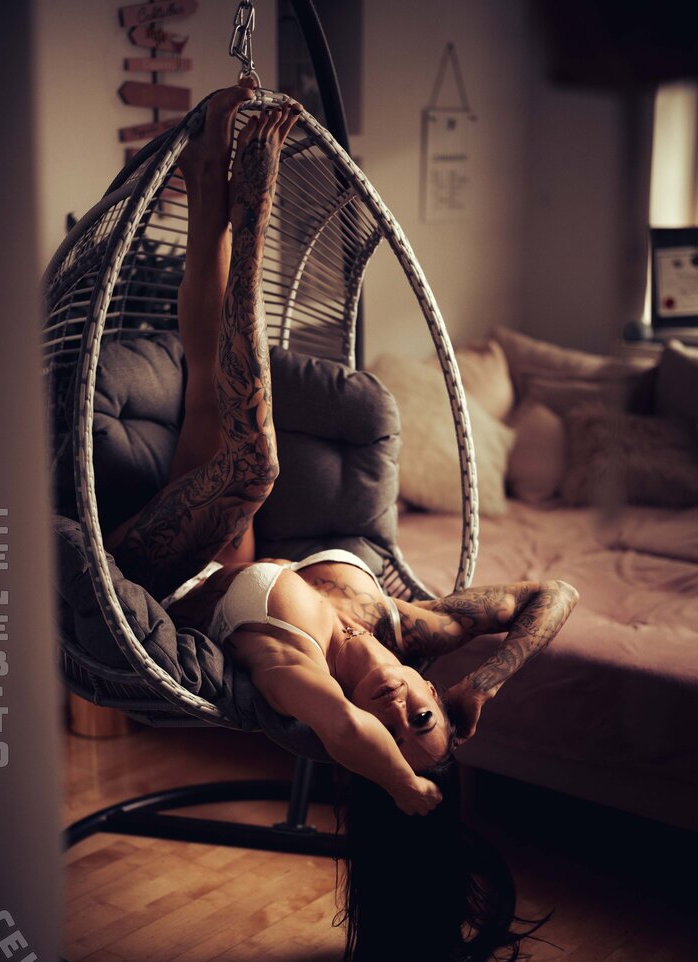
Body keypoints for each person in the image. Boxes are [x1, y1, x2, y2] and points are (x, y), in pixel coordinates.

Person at [106, 80, 579, 819]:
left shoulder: (299, 673)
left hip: (150, 577)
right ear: (431, 689)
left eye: (392, 734)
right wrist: (486, 682)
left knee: (253, 463)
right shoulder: (411, 626)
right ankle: (204, 182)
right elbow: (555, 594)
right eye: (419, 718)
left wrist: (405, 787)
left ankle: (248, 208)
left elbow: (343, 729)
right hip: (226, 556)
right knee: (208, 383)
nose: (395, 712)